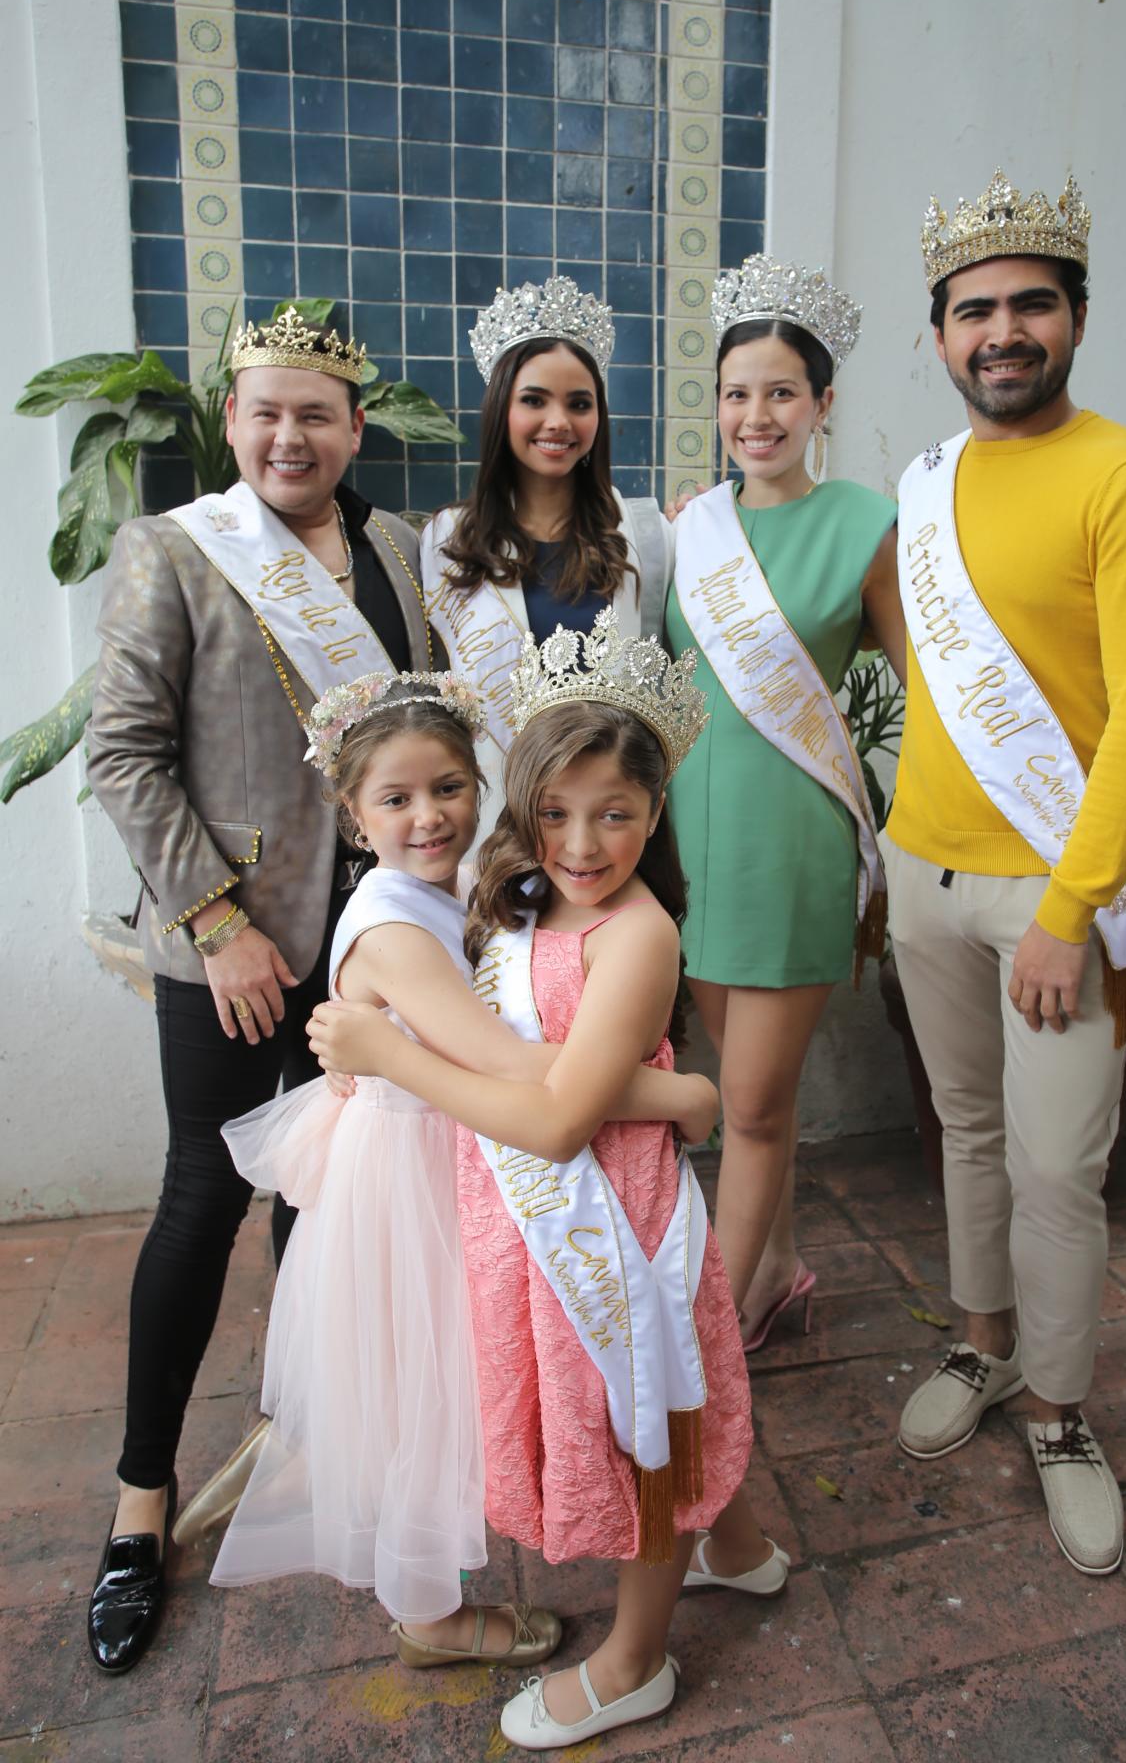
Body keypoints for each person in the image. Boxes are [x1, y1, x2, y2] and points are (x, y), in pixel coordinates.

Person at [310, 612, 781, 1751]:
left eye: (615, 812)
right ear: (522, 813)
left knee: (643, 1419)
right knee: (664, 1398)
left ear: (654, 813)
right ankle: (738, 1546)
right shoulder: (519, 900)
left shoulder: (638, 931)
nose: (582, 839)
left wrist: (389, 1054)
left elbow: (562, 1113)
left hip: (612, 1211)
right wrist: (678, 1095)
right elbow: (540, 1063)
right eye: (556, 812)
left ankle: (634, 1659)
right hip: (530, 1208)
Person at [211, 667, 721, 1665]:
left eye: (447, 786)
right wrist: (680, 1095)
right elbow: (529, 1071)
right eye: (395, 798)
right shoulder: (397, 927)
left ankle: (716, 1525)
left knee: (448, 1382)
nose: (429, 814)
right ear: (353, 814)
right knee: (421, 1395)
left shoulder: (457, 890)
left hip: (453, 1152)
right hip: (408, 1178)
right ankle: (429, 1615)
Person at [82, 309, 435, 1675]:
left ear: (354, 428)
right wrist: (215, 921)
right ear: (230, 424)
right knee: (203, 1201)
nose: (290, 437)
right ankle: (138, 1502)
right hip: (233, 949)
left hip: (373, 941)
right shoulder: (172, 551)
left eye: (317, 415)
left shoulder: (397, 549)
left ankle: (315, 1436)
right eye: (264, 414)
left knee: (338, 1186)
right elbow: (123, 753)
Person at [888, 170, 1126, 1576]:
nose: (1000, 330)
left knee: (1057, 1171)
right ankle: (981, 1343)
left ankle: (1064, 1411)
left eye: (1030, 304)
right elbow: (922, 665)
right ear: (940, 333)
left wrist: (1069, 913)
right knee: (961, 1134)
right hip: (921, 879)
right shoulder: (929, 478)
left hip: (1050, 905)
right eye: (974, 310)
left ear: (1076, 317)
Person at [664, 255, 901, 1347]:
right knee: (755, 1095)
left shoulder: (865, 521)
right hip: (686, 848)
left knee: (748, 1109)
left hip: (793, 842)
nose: (755, 415)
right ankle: (778, 1273)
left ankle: (699, 1339)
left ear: (822, 404)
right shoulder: (689, 531)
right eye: (736, 393)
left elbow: (929, 686)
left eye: (780, 392)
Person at [421, 275, 672, 836]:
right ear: (500, 410)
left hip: (602, 824)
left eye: (578, 404)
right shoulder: (445, 540)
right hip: (492, 817)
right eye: (534, 400)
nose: (558, 422)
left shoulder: (645, 533)